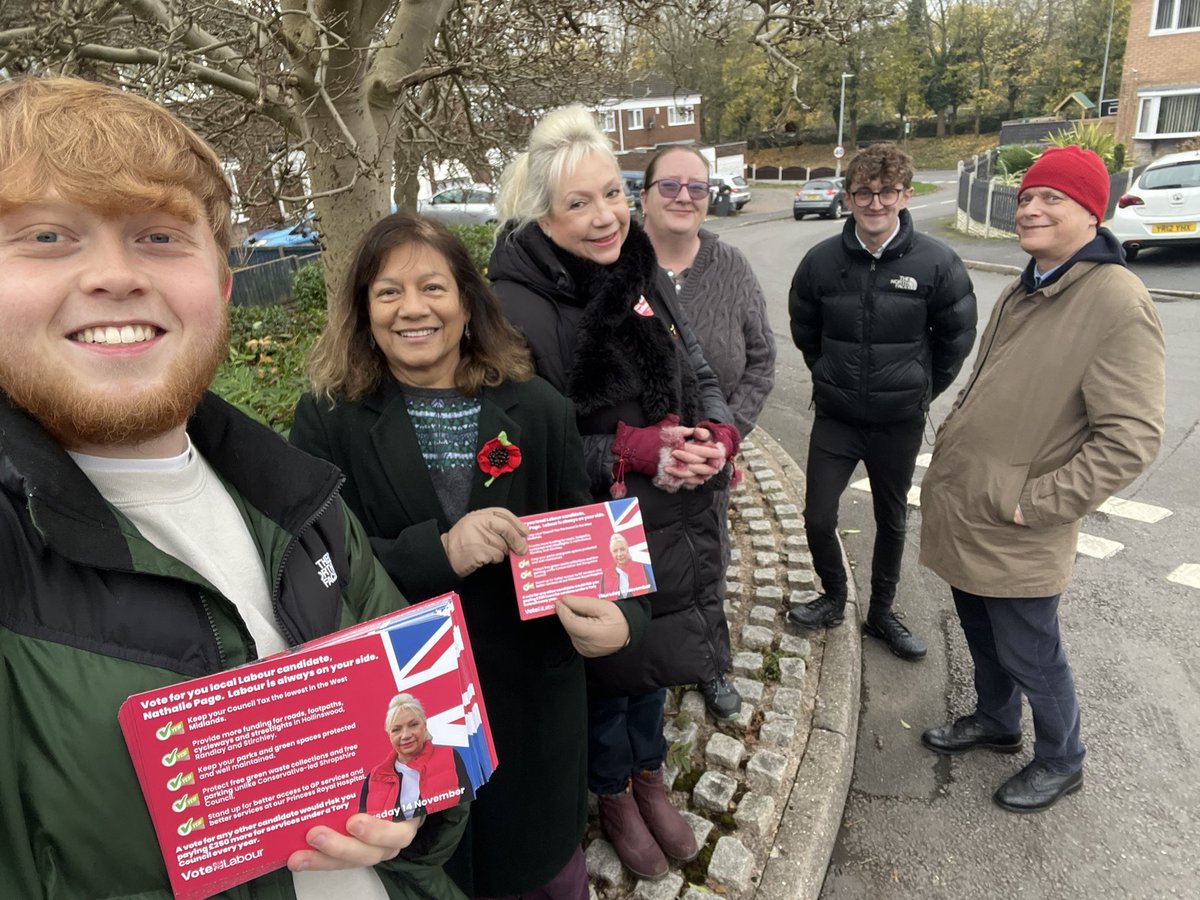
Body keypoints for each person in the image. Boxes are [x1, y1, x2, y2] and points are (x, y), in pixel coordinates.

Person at [0, 76, 463, 900]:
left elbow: (431, 740)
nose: (114, 275)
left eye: (158, 237)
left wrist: (419, 809)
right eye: (46, 235)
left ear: (219, 286)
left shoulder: (301, 503)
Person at [290, 212, 646, 900]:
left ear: (467, 300)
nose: (413, 308)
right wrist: (441, 552)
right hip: (401, 717)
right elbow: (315, 570)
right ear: (363, 310)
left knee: (538, 875)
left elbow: (597, 550)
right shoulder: (328, 420)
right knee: (429, 879)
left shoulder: (538, 409)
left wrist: (625, 620)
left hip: (530, 706)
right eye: (388, 292)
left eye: (433, 287)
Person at [489, 105, 740, 881]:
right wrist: (633, 452)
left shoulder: (636, 266)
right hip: (589, 518)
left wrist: (719, 438)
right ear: (541, 212)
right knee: (609, 672)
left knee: (655, 657)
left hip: (668, 508)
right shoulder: (514, 304)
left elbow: (695, 367)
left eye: (612, 194)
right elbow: (523, 446)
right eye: (579, 203)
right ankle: (614, 793)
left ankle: (649, 775)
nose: (605, 217)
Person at [918, 145, 1165, 813]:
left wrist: (1037, 504)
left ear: (1092, 212)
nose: (1031, 206)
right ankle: (998, 723)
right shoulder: (1026, 284)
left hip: (1019, 523)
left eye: (1052, 197)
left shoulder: (1116, 299)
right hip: (971, 511)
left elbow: (1132, 436)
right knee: (982, 635)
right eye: (1027, 196)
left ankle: (1064, 759)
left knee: (1032, 652)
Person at [787, 142, 977, 661]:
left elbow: (955, 339)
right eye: (864, 193)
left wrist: (919, 390)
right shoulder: (821, 263)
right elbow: (805, 329)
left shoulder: (937, 262)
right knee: (818, 516)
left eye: (887, 192)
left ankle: (882, 613)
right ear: (848, 198)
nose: (875, 203)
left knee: (892, 520)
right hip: (837, 419)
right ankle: (832, 596)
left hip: (899, 422)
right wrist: (829, 374)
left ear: (905, 194)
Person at [639, 145, 775, 686]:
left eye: (697, 187)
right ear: (643, 196)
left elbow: (762, 360)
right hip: (639, 461)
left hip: (711, 463)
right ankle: (641, 673)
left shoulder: (731, 268)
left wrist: (727, 438)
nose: (684, 197)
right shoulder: (617, 267)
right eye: (669, 185)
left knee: (707, 564)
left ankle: (709, 665)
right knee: (641, 567)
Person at [361, 694, 475, 821]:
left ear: (425, 726)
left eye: (413, 724)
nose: (405, 735)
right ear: (389, 735)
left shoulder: (450, 758)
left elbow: (463, 814)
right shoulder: (374, 778)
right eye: (396, 730)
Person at [599, 533, 657, 600]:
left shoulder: (640, 568)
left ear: (627, 550)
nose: (619, 554)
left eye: (622, 549)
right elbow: (603, 601)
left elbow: (651, 590)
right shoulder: (606, 575)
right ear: (611, 553)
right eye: (615, 551)